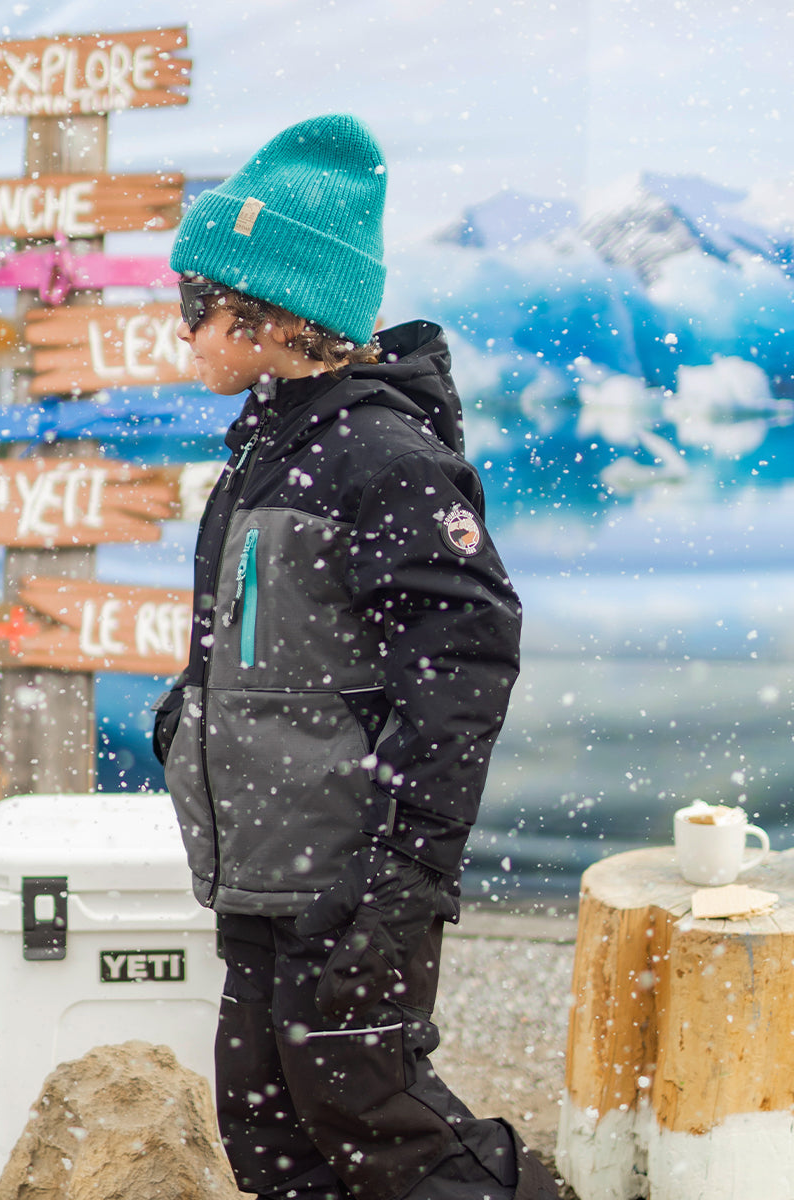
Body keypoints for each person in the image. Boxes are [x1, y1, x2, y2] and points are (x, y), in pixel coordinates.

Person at [151, 114, 561, 1200]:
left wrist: (403, 874)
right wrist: (186, 723)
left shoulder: (380, 458)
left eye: (195, 302)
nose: (182, 328)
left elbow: (463, 668)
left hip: (350, 872)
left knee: (375, 1114)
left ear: (274, 315)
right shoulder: (269, 443)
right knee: (267, 1124)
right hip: (264, 862)